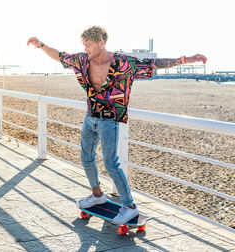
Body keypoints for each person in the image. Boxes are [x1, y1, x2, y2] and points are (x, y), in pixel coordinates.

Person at [27, 26, 207, 224]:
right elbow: (61, 56)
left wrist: (186, 59)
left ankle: (129, 206)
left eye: (89, 44)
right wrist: (41, 45)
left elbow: (154, 63)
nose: (86, 48)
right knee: (86, 158)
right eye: (84, 45)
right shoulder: (82, 60)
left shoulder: (123, 62)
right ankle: (97, 194)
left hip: (109, 120)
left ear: (101, 42)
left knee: (111, 164)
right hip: (90, 117)